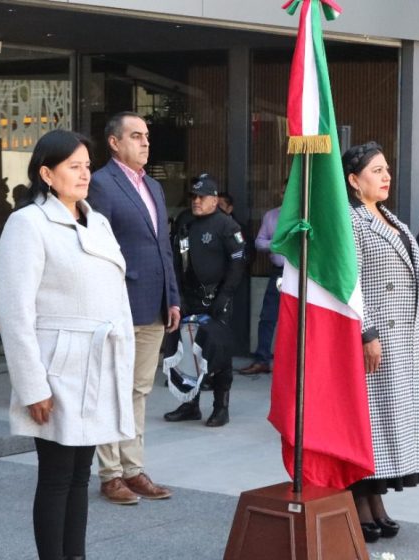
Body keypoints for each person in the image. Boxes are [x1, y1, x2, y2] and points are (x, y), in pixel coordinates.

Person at [0, 129, 135, 560]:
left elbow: (116, 296)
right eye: (73, 166)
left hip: (98, 364)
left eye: (87, 166)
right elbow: (15, 312)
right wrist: (31, 385)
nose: (84, 174)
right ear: (46, 174)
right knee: (57, 477)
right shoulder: (27, 224)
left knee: (80, 475)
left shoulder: (99, 222)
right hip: (56, 368)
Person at [86, 111, 179, 505]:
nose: (145, 143)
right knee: (113, 390)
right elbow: (96, 247)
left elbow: (163, 246)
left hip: (154, 303)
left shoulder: (153, 186)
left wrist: (172, 296)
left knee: (139, 390)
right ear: (114, 142)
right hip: (118, 302)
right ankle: (110, 474)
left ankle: (133, 468)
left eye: (147, 136)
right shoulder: (100, 184)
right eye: (136, 136)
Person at [343, 142, 419, 543]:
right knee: (371, 423)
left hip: (403, 338)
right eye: (376, 171)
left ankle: (375, 499)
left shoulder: (389, 217)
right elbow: (350, 282)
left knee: (386, 423)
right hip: (373, 338)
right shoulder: (352, 219)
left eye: (387, 169)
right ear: (353, 180)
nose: (386, 176)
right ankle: (358, 500)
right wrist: (367, 332)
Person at [162, 174, 245, 427]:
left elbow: (238, 262)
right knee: (188, 351)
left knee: (218, 353)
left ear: (214, 200)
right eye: (193, 196)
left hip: (217, 299)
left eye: (202, 197)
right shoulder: (185, 220)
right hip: (189, 297)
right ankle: (190, 404)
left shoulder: (226, 225)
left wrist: (225, 295)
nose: (196, 201)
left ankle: (221, 407)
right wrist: (177, 296)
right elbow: (176, 260)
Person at [239, 181, 286, 376]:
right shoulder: (271, 215)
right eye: (283, 192)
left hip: (302, 274)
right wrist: (276, 244)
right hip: (279, 273)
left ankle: (298, 363)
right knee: (267, 317)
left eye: (290, 192)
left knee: (302, 319)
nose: (285, 195)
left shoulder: (308, 216)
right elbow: (259, 243)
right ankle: (262, 360)